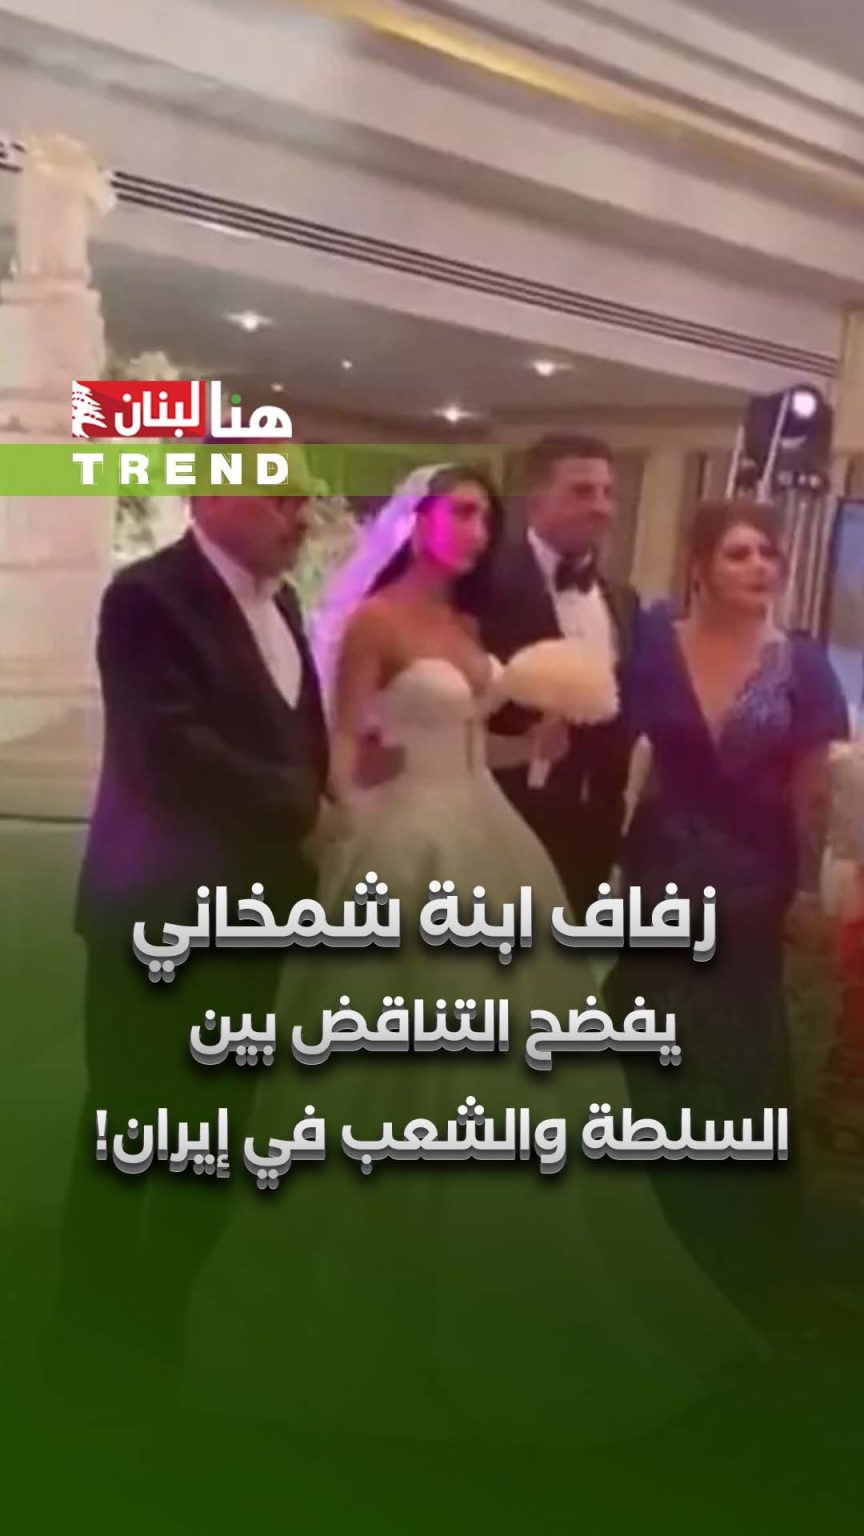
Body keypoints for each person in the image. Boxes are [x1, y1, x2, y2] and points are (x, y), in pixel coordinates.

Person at [205, 463, 764, 1452]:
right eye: (459, 510)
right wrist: (362, 813)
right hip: (408, 847)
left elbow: (472, 744)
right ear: (416, 520)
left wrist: (537, 738)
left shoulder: (465, 627)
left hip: (490, 834)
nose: (474, 527)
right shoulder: (375, 622)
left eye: (484, 515)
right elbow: (342, 756)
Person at [57, 444, 329, 1414]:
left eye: (304, 499)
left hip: (256, 915)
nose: (301, 516)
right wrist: (304, 809)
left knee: (217, 1122)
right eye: (282, 497)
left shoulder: (284, 606)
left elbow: (300, 736)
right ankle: (86, 1324)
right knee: (131, 1114)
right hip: (158, 908)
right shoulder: (146, 598)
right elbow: (172, 745)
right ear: (213, 495)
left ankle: (173, 1306)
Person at [607, 497, 849, 1328]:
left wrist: (808, 889)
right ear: (700, 565)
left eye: (769, 554)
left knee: (737, 1065)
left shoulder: (803, 665)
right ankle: (639, 1246)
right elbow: (616, 754)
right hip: (655, 877)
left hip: (751, 885)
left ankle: (736, 1259)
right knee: (645, 1054)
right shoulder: (650, 645)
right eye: (740, 553)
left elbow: (812, 792)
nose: (760, 567)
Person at [478, 435, 639, 918]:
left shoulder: (623, 600)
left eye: (608, 493)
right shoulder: (484, 585)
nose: (601, 507)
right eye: (582, 491)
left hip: (594, 832)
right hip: (502, 824)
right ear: (535, 500)